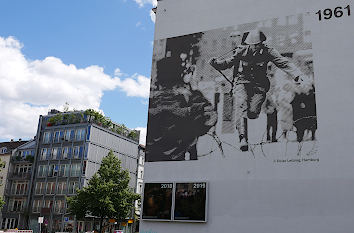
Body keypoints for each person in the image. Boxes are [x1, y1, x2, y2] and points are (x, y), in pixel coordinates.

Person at [210, 29, 304, 151]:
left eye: (258, 45)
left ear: (262, 43)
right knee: (240, 104)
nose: (255, 47)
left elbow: (283, 62)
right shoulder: (241, 50)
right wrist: (216, 63)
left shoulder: (268, 51)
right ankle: (243, 139)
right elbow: (227, 63)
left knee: (253, 113)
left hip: (259, 85)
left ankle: (250, 113)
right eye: (253, 45)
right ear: (249, 44)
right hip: (242, 82)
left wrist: (297, 74)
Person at [146, 52, 217, 161]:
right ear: (180, 74)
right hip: (177, 158)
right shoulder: (189, 97)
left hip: (152, 159)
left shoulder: (151, 99)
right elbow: (208, 118)